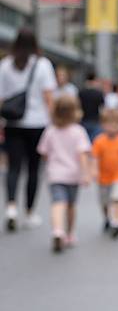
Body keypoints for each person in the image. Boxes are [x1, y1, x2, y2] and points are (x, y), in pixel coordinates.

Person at [0, 29, 57, 231]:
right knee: (33, 169)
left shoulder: (6, 65)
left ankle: (11, 207)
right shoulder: (43, 65)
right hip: (38, 124)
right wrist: (53, 124)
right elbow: (48, 98)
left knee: (13, 167)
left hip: (13, 124)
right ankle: (30, 212)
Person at [37, 96, 91, 252]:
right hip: (73, 175)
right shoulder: (78, 131)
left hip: (55, 174)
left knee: (57, 202)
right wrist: (85, 173)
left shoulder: (50, 131)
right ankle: (69, 233)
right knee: (71, 205)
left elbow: (44, 153)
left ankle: (57, 230)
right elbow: (82, 154)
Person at [91, 108, 118, 239]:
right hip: (103, 177)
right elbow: (95, 157)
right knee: (104, 202)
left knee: (117, 198)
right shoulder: (99, 141)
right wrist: (93, 170)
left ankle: (116, 222)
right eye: (108, 124)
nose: (112, 127)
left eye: (115, 124)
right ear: (103, 124)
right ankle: (107, 219)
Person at [78, 72, 104, 142]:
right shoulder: (98, 93)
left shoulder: (81, 92)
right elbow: (102, 108)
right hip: (95, 121)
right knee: (95, 142)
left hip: (83, 120)